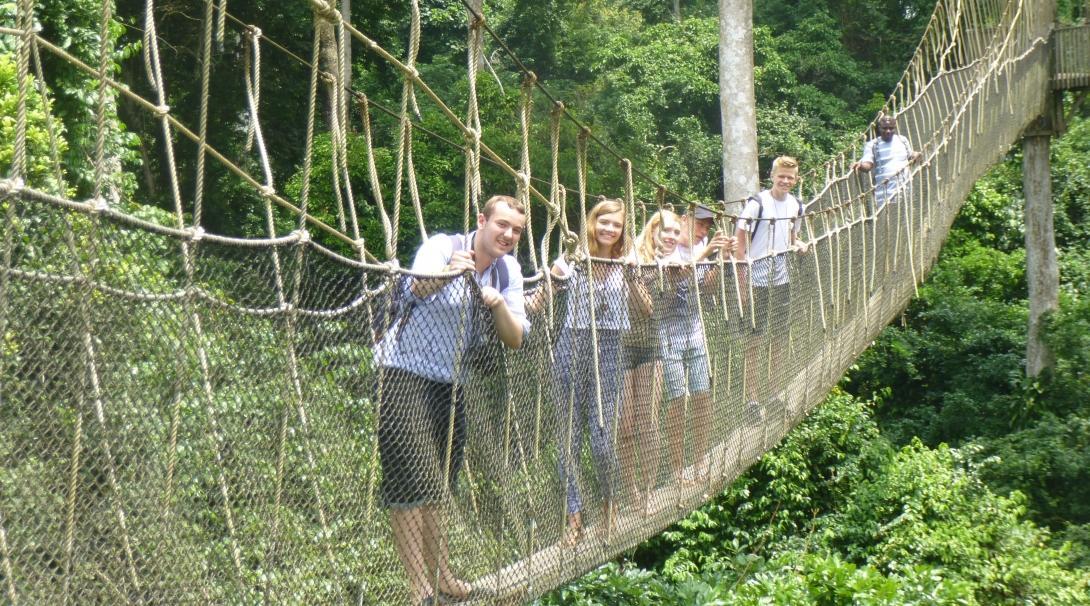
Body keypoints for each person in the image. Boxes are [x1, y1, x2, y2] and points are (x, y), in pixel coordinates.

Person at [376, 194, 529, 606]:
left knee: (442, 483)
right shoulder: (443, 246)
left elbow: (514, 338)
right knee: (408, 484)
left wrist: (496, 303)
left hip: (452, 382)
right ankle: (419, 590)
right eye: (501, 225)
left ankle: (443, 577)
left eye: (516, 230)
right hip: (403, 372)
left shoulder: (505, 271)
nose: (508, 235)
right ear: (482, 220)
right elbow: (414, 288)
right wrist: (449, 273)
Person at [537, 198, 650, 545]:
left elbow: (645, 309)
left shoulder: (628, 261)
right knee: (567, 441)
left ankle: (610, 506)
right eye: (604, 222)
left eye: (615, 225)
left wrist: (632, 277)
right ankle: (574, 519)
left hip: (610, 348)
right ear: (593, 222)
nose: (609, 229)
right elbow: (541, 300)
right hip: (573, 345)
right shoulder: (572, 258)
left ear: (621, 230)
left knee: (602, 442)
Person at [660, 204, 734, 486]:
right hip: (667, 335)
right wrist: (707, 253)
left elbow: (707, 290)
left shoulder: (702, 246)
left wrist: (720, 259)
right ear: (684, 219)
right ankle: (679, 468)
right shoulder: (666, 245)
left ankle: (700, 460)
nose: (703, 230)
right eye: (699, 223)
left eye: (706, 226)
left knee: (703, 398)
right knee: (678, 401)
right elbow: (676, 275)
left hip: (694, 331)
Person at [733, 156, 808, 426]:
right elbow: (739, 237)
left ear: (796, 179)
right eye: (781, 176)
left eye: (790, 177)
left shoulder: (797, 206)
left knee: (778, 340)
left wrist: (798, 243)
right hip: (756, 280)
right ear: (772, 176)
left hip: (781, 280)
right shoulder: (757, 203)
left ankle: (774, 395)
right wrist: (742, 278)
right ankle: (751, 401)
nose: (785, 181)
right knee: (753, 342)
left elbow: (790, 236)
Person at [618, 209, 681, 510]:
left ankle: (648, 490)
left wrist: (633, 275)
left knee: (648, 423)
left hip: (650, 347)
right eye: (666, 231)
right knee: (626, 426)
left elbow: (648, 308)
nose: (671, 237)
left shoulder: (674, 266)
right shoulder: (630, 253)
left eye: (676, 233)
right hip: (618, 346)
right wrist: (629, 268)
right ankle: (629, 490)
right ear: (653, 230)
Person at [851, 115, 921, 209]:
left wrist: (916, 154)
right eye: (885, 128)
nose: (888, 131)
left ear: (895, 128)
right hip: (884, 195)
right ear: (879, 128)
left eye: (891, 128)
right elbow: (868, 165)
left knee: (907, 220)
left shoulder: (902, 140)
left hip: (905, 190)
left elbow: (910, 156)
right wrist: (860, 165)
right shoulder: (872, 145)